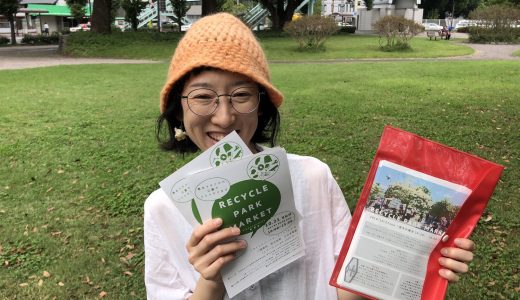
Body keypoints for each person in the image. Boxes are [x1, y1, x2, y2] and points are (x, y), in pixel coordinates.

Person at [144, 13, 476, 300]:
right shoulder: (163, 210)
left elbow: (347, 290)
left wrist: (419, 257)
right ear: (178, 109)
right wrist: (211, 281)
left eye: (241, 94)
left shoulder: (312, 178)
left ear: (262, 105)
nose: (224, 117)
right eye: (203, 96)